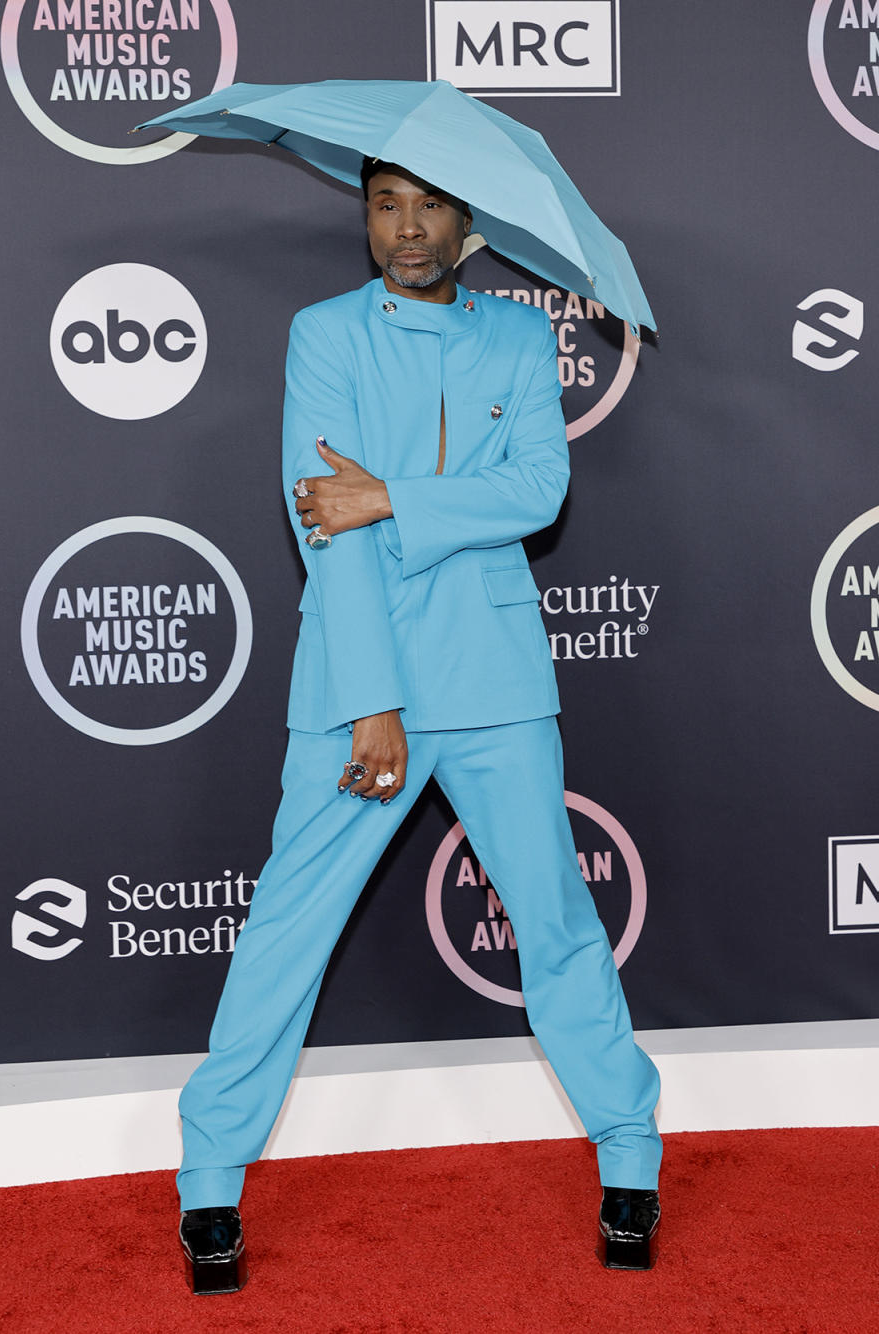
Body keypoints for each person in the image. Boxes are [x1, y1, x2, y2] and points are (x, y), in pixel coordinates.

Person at [176, 159, 662, 1295]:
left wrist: (394, 493)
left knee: (556, 922)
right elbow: (323, 526)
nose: (406, 227)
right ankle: (208, 1183)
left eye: (429, 206)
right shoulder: (324, 334)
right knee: (285, 935)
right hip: (362, 683)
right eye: (384, 203)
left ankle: (630, 1156)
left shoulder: (514, 338)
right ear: (366, 215)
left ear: (468, 224)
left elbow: (540, 489)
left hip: (496, 679)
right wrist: (374, 701)